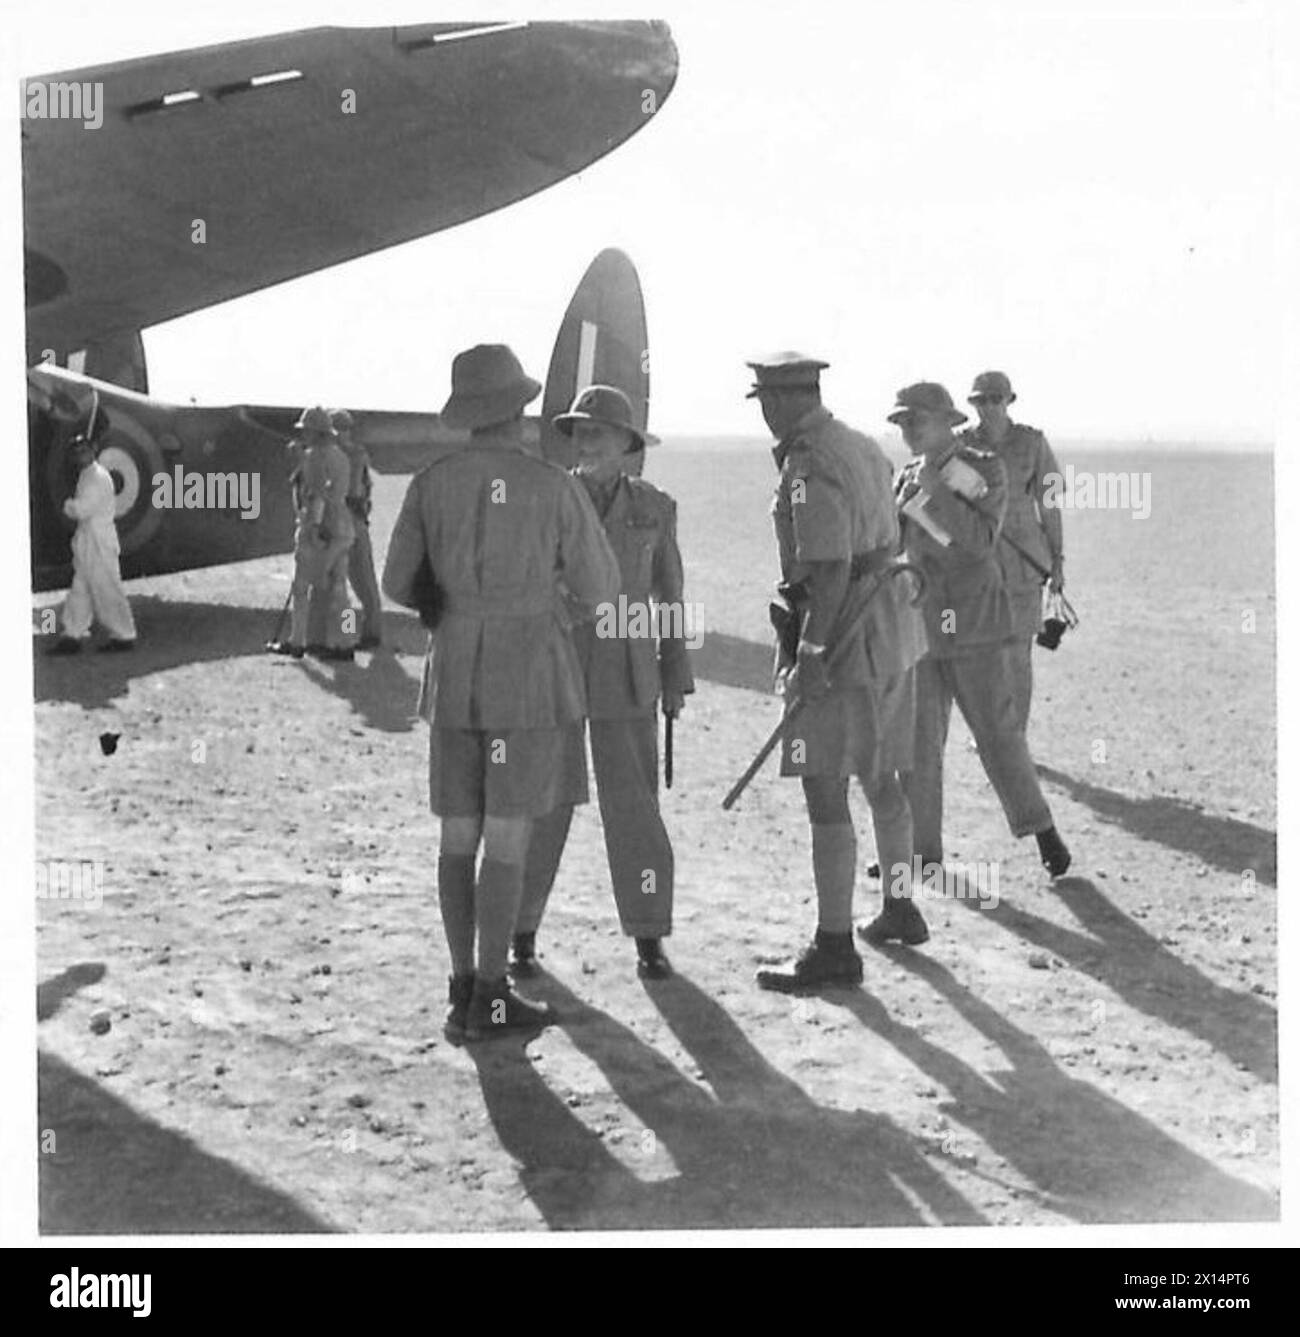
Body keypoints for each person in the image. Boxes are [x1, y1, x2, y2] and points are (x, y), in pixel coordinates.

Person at [382, 345, 620, 1043]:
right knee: (508, 837)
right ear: (519, 408)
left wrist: (451, 606)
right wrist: (552, 612)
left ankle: (461, 986)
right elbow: (601, 585)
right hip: (529, 678)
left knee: (458, 835)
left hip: (455, 670)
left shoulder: (431, 482)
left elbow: (398, 581)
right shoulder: (553, 486)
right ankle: (492, 992)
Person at [745, 352, 928, 993]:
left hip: (843, 641)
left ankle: (833, 946)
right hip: (892, 632)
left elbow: (825, 567)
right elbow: (892, 534)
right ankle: (901, 905)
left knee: (824, 789)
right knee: (881, 775)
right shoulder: (861, 446)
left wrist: (811, 657)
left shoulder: (807, 464)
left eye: (768, 401)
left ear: (791, 400)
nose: (765, 413)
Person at [512, 385, 693, 982]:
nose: (587, 443)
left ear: (627, 445)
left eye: (599, 433)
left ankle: (649, 935)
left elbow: (669, 596)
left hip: (628, 674)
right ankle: (519, 932)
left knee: (635, 810)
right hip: (556, 669)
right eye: (579, 432)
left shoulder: (655, 507)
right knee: (544, 803)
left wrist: (674, 675)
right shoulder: (545, 501)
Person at [889, 382, 1071, 879]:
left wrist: (931, 488)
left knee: (998, 733)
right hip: (923, 624)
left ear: (947, 423)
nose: (907, 431)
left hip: (974, 623)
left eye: (916, 422)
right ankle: (920, 852)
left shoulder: (980, 467)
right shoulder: (906, 477)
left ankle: (1042, 829)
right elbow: (899, 542)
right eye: (902, 424)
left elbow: (974, 542)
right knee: (918, 743)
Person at [962, 371, 1064, 731]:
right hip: (978, 564)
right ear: (972, 404)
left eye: (995, 399)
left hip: (1024, 561)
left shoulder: (1032, 444)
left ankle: (1014, 735)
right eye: (981, 400)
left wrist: (1058, 563)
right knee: (986, 656)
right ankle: (992, 733)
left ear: (1009, 401)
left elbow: (1050, 506)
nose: (988, 407)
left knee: (1018, 655)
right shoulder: (960, 447)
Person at [269, 407, 354, 662]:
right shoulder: (340, 456)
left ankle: (297, 642)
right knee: (341, 591)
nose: (303, 434)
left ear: (315, 432)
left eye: (306, 430)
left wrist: (315, 529)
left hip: (320, 528)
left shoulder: (315, 457)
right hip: (343, 526)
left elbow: (316, 495)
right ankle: (347, 642)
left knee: (301, 587)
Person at [47, 429, 138, 654]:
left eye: (84, 450)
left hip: (99, 542)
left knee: (108, 590)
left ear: (93, 451)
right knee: (81, 590)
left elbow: (83, 509)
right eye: (77, 452)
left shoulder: (97, 477)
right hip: (89, 541)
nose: (81, 455)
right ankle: (72, 635)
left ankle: (124, 635)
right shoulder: (87, 475)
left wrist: (68, 505)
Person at [304, 409, 385, 652]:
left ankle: (352, 635)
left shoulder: (343, 456)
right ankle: (359, 635)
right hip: (352, 521)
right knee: (355, 583)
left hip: (343, 521)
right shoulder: (353, 454)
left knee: (344, 583)